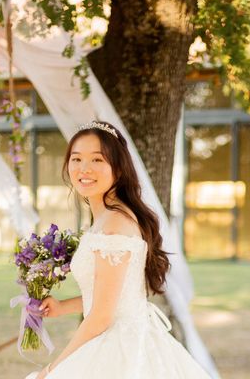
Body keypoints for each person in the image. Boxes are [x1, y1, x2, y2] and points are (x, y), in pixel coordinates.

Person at [24, 120, 212, 379]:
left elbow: (102, 316)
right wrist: (62, 306)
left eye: (97, 160)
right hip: (127, 334)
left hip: (119, 348)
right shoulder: (108, 217)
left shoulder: (114, 223)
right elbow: (116, 296)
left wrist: (52, 369)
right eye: (76, 159)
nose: (84, 168)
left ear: (119, 168)